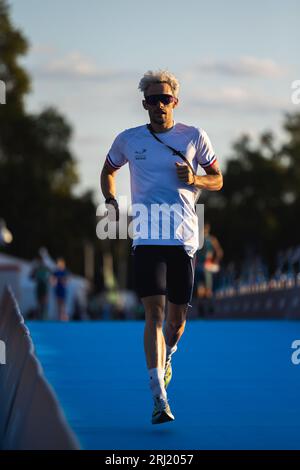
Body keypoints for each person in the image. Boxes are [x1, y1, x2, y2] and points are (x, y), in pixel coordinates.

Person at [100, 70, 223, 424]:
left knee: (176, 322)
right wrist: (110, 198)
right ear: (144, 104)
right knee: (152, 314)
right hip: (147, 238)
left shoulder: (194, 136)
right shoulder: (128, 139)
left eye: (164, 99)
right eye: (152, 100)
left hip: (183, 239)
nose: (158, 105)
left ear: (175, 102)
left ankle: (168, 356)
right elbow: (108, 170)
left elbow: (218, 179)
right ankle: (158, 396)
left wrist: (196, 178)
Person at [195, 222, 224, 299]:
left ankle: (201, 306)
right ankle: (209, 306)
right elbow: (220, 252)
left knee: (200, 288)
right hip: (207, 266)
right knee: (208, 288)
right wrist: (215, 262)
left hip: (199, 266)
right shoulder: (212, 240)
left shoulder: (197, 240)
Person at [30, 254, 51, 319]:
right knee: (39, 302)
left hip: (44, 287)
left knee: (44, 302)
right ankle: (39, 317)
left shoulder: (46, 268)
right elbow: (31, 276)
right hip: (39, 287)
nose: (41, 262)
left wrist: (49, 280)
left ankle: (44, 316)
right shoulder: (37, 268)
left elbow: (51, 277)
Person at [52, 257, 69, 321]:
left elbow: (66, 281)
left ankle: (64, 317)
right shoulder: (56, 272)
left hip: (63, 290)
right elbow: (52, 281)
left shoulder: (65, 272)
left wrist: (63, 280)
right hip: (57, 290)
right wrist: (54, 282)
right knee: (58, 304)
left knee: (63, 304)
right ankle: (59, 317)